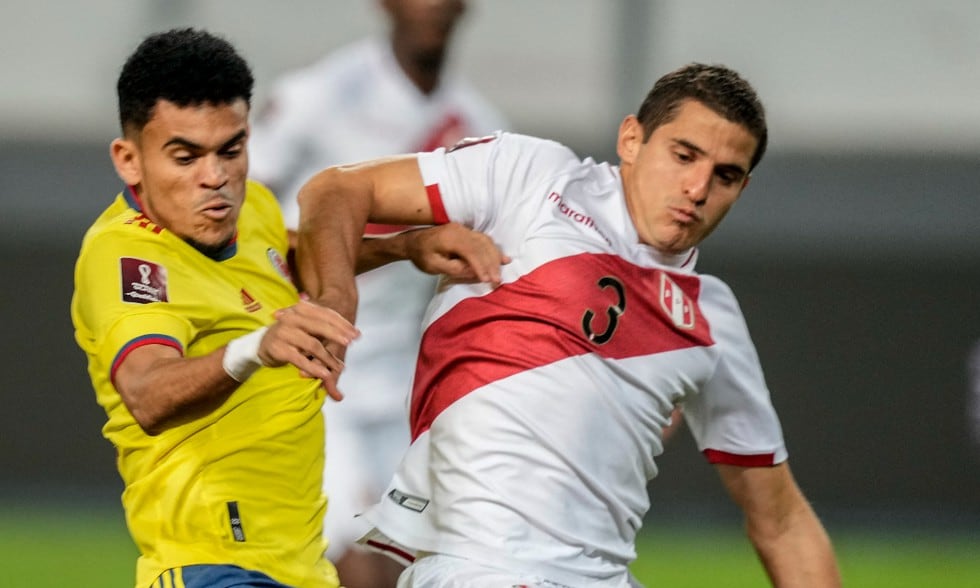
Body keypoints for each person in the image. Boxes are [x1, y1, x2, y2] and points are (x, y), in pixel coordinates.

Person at [293, 63, 843, 587]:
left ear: (742, 189)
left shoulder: (711, 317)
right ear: (631, 139)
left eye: (725, 175)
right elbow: (335, 190)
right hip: (483, 566)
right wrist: (337, 301)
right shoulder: (533, 178)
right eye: (684, 155)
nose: (697, 188)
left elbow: (782, 521)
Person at [70, 28, 506, 588]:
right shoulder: (126, 256)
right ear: (129, 160)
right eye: (185, 157)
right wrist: (256, 347)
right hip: (211, 564)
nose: (215, 177)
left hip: (296, 568)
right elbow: (147, 392)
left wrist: (406, 246)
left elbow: (287, 257)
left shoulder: (246, 207)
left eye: (232, 149)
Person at [249, 1, 507, 585]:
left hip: (399, 384)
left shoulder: (480, 126)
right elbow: (240, 208)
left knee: (413, 565)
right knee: (355, 565)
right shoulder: (321, 95)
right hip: (311, 372)